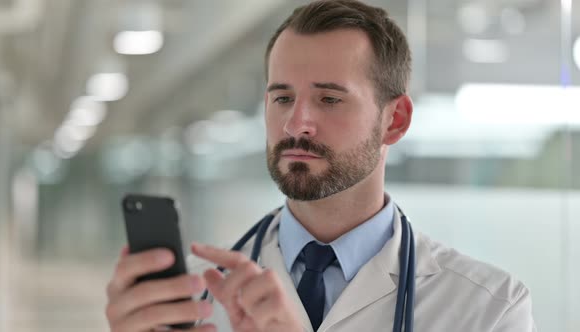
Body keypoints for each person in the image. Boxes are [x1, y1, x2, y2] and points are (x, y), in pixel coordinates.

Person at [105, 1, 536, 331]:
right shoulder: (191, 298)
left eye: (329, 99)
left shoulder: (488, 308)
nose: (296, 124)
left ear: (395, 120)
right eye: (282, 98)